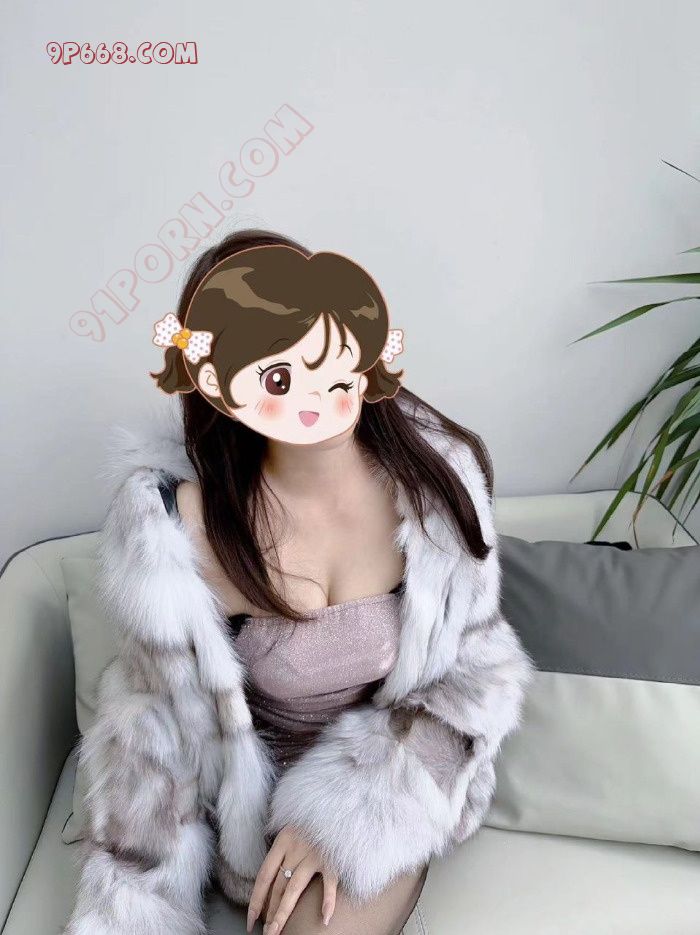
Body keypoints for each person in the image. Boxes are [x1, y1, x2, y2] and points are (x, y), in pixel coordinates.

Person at [64, 229, 534, 935]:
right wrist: (131, 907)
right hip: (244, 812)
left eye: (327, 359)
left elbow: (474, 681)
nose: (315, 393)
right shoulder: (179, 532)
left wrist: (345, 819)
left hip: (385, 785)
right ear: (220, 385)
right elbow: (153, 729)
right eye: (278, 377)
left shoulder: (434, 491)